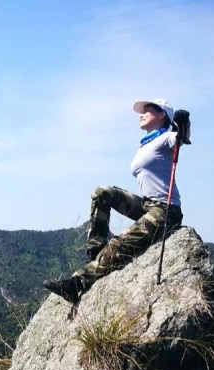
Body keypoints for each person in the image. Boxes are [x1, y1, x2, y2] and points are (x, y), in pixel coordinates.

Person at [44, 98, 183, 304]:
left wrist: (183, 125)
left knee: (119, 244)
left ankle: (76, 284)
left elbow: (181, 138)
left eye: (148, 110)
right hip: (146, 205)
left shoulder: (166, 138)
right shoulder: (147, 143)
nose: (141, 114)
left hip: (165, 211)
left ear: (162, 115)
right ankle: (95, 252)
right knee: (103, 193)